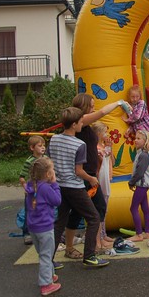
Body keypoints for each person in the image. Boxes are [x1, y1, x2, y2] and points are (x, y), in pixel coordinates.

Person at [62, 94, 126, 259]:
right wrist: (119, 102)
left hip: (90, 175)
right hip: (85, 176)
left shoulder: (85, 125)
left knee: (95, 209)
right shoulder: (81, 121)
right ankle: (87, 247)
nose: (93, 108)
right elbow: (103, 112)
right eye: (91, 105)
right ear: (83, 107)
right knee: (89, 211)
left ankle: (94, 243)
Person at [48, 107, 109, 268]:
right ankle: (89, 256)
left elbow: (50, 162)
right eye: (81, 122)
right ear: (74, 124)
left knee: (59, 222)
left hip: (59, 186)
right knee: (94, 217)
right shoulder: (79, 144)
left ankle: (49, 260)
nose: (83, 124)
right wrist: (91, 179)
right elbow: (78, 171)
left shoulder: (54, 139)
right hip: (75, 187)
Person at [24, 156, 62, 296]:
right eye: (53, 170)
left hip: (33, 227)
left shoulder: (31, 185)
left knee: (43, 253)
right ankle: (46, 284)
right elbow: (57, 201)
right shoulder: (45, 188)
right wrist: (55, 184)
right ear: (48, 174)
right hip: (45, 227)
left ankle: (49, 275)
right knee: (46, 255)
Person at [18, 135, 46, 245]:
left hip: (43, 189)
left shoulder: (46, 158)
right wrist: (26, 187)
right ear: (32, 148)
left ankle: (42, 230)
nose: (43, 147)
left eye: (44, 145)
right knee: (29, 211)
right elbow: (22, 177)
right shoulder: (29, 161)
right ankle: (27, 233)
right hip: (32, 191)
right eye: (40, 146)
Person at [127, 129, 149, 242]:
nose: (135, 140)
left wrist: (131, 182)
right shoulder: (142, 153)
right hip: (143, 185)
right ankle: (147, 232)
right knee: (145, 208)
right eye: (135, 138)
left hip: (142, 185)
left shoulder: (143, 155)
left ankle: (139, 234)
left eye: (138, 139)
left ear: (145, 141)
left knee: (133, 208)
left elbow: (139, 172)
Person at [93, 121, 115, 248]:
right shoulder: (96, 148)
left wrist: (110, 148)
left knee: (104, 209)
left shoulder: (103, 146)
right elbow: (100, 161)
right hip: (100, 180)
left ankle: (104, 234)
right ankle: (100, 237)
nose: (106, 134)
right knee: (100, 209)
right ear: (98, 133)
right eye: (104, 132)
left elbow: (112, 161)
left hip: (106, 179)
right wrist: (105, 152)